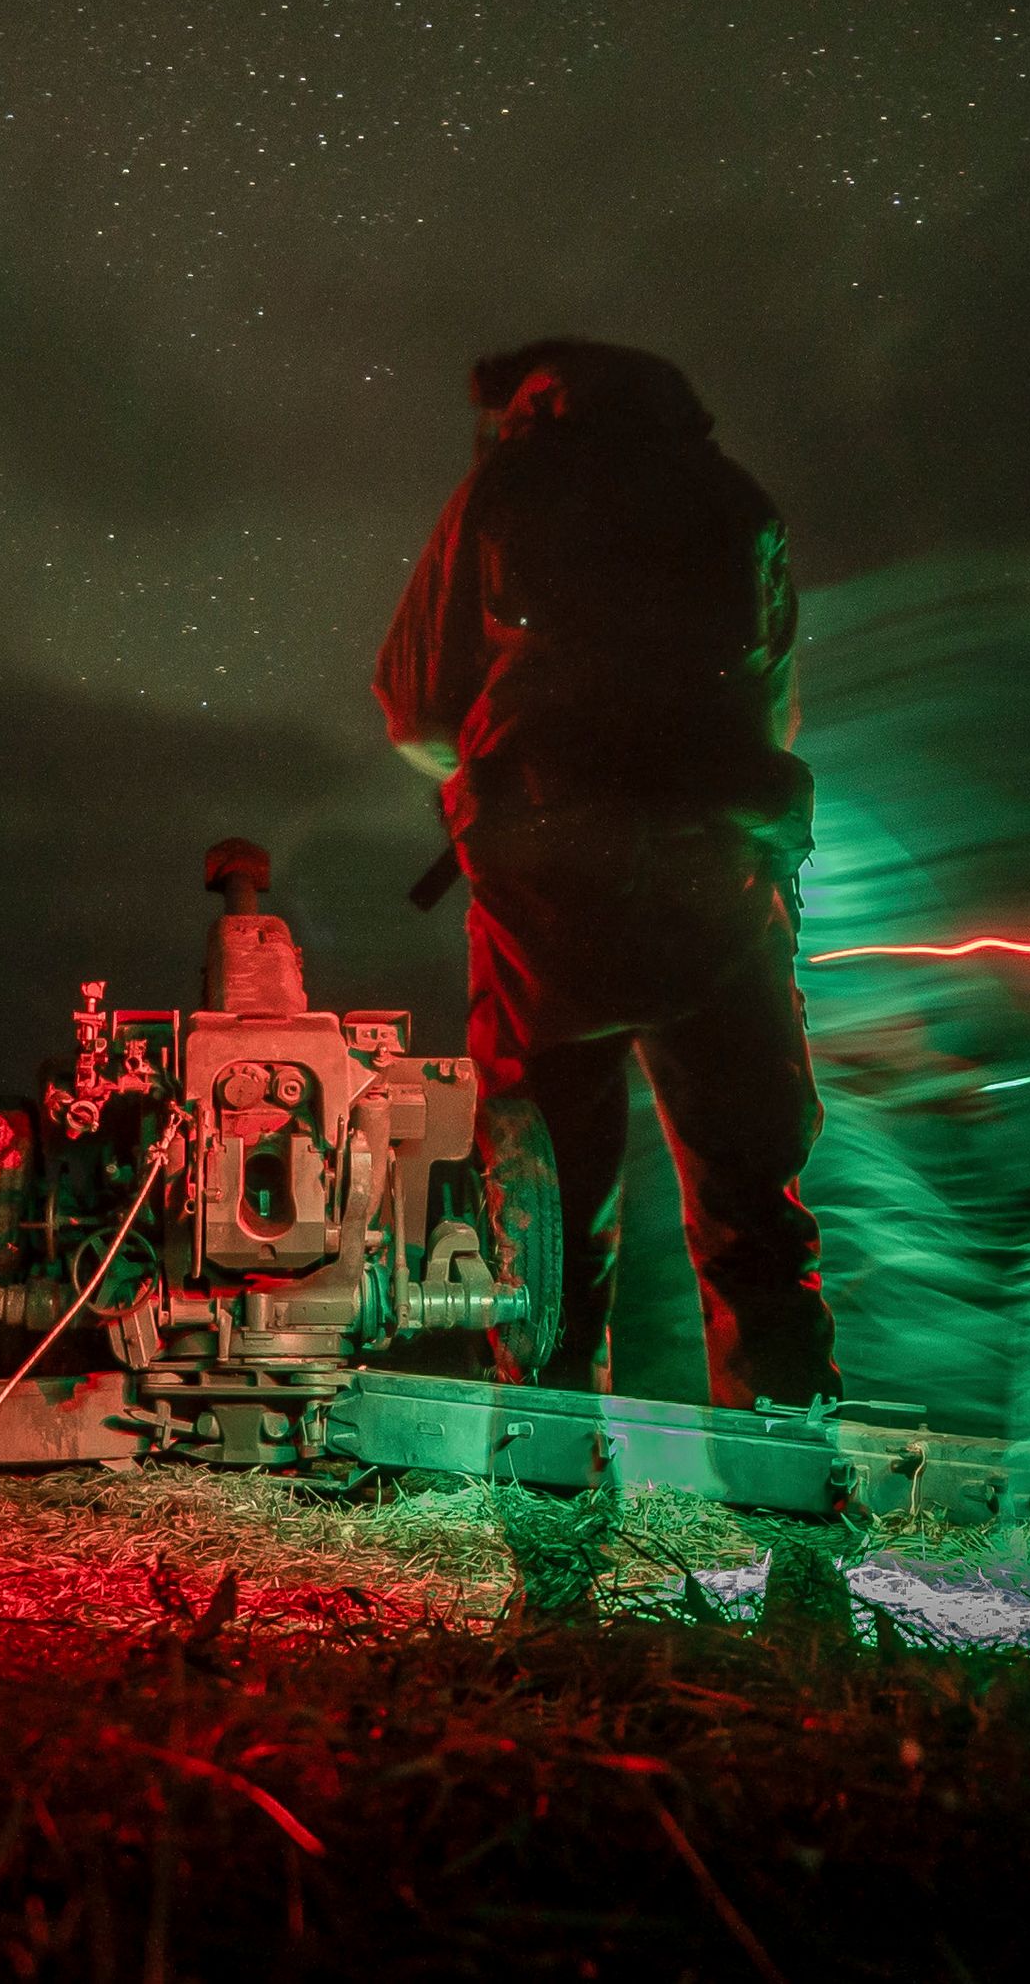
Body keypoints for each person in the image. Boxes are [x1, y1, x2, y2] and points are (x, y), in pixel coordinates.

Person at [373, 338, 838, 1409]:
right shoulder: (734, 498)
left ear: (528, 403)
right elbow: (776, 697)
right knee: (754, 1201)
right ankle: (788, 1460)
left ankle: (551, 1465)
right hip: (716, 881)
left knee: (547, 1205)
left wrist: (503, 782)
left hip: (548, 888)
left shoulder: (505, 486)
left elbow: (412, 703)